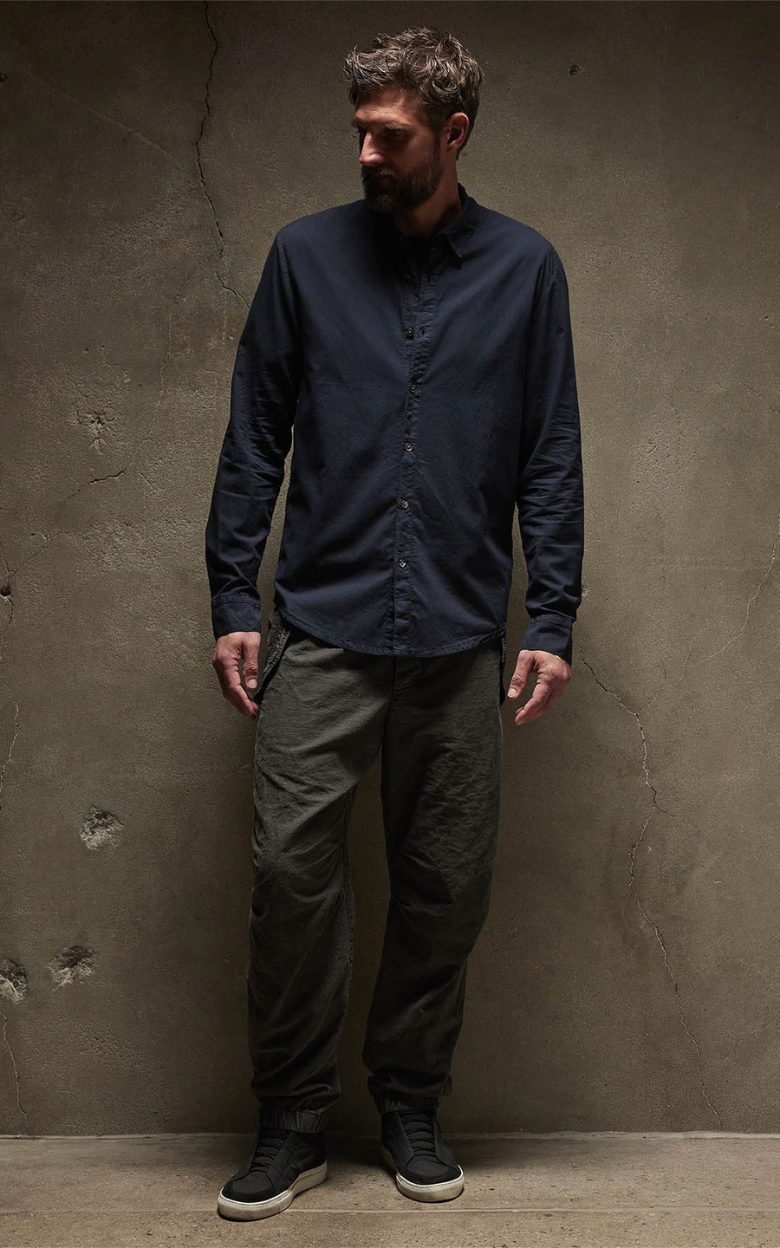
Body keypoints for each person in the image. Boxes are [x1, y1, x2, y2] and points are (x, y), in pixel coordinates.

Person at [205, 24, 584, 1222]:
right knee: (291, 876)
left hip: (461, 635)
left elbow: (550, 453)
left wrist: (553, 616)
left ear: (452, 134)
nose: (367, 151)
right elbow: (254, 435)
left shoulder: (526, 270)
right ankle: (293, 1119)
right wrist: (231, 597)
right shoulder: (304, 258)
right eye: (361, 130)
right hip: (322, 624)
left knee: (445, 884)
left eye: (392, 134)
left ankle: (412, 1104)